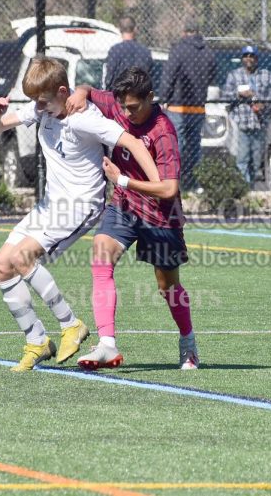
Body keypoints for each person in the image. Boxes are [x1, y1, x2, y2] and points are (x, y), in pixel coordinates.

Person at [0, 56, 162, 372]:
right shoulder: (42, 108)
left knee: (23, 258)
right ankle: (38, 341)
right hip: (49, 205)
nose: (39, 108)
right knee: (0, 265)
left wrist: (157, 184)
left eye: (44, 101)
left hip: (80, 205)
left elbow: (132, 142)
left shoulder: (84, 118)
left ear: (63, 91)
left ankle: (71, 325)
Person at [67, 67, 199, 371]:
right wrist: (81, 92)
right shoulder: (118, 104)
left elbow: (169, 189)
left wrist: (122, 180)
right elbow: (89, 91)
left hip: (161, 216)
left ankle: (188, 341)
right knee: (101, 254)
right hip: (124, 207)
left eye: (134, 107)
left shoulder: (163, 132)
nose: (127, 113)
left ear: (150, 98)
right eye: (123, 106)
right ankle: (107, 344)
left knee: (168, 287)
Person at [159, 20, 216, 190]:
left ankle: (175, 183)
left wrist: (164, 98)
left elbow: (169, 75)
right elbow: (212, 75)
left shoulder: (178, 50)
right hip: (198, 106)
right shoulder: (207, 52)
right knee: (194, 147)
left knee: (175, 147)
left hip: (178, 107)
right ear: (197, 32)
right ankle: (193, 184)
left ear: (184, 32)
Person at [221, 45, 271, 184]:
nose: (249, 59)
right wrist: (238, 94)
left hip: (260, 123)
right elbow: (225, 96)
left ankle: (253, 186)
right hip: (241, 123)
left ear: (256, 59)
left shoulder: (266, 75)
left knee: (257, 160)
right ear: (242, 58)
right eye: (246, 56)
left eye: (252, 56)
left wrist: (264, 104)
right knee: (242, 159)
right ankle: (244, 188)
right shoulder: (234, 76)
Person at [104, 16, 152, 91]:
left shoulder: (115, 50)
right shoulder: (145, 51)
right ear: (135, 29)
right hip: (139, 95)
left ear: (120, 30)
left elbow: (109, 76)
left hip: (119, 94)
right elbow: (149, 76)